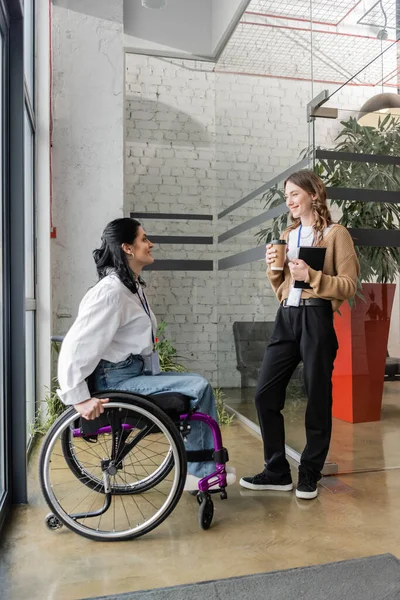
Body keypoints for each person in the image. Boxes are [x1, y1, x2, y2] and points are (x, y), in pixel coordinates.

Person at [57, 217, 235, 491]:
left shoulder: (131, 287)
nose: (150, 244)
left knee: (196, 382)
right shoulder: (111, 292)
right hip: (116, 380)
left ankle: (200, 466)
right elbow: (76, 345)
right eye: (143, 239)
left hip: (131, 372)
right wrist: (78, 397)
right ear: (128, 248)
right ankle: (201, 473)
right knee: (198, 387)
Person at [240, 170, 360, 500]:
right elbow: (283, 289)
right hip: (287, 317)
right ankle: (277, 471)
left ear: (313, 195)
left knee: (317, 395)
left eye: (295, 193)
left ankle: (310, 471)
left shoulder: (336, 235)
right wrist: (273, 271)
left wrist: (314, 276)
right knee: (265, 393)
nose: (289, 200)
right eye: (286, 195)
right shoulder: (288, 234)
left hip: (316, 318)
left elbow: (349, 286)